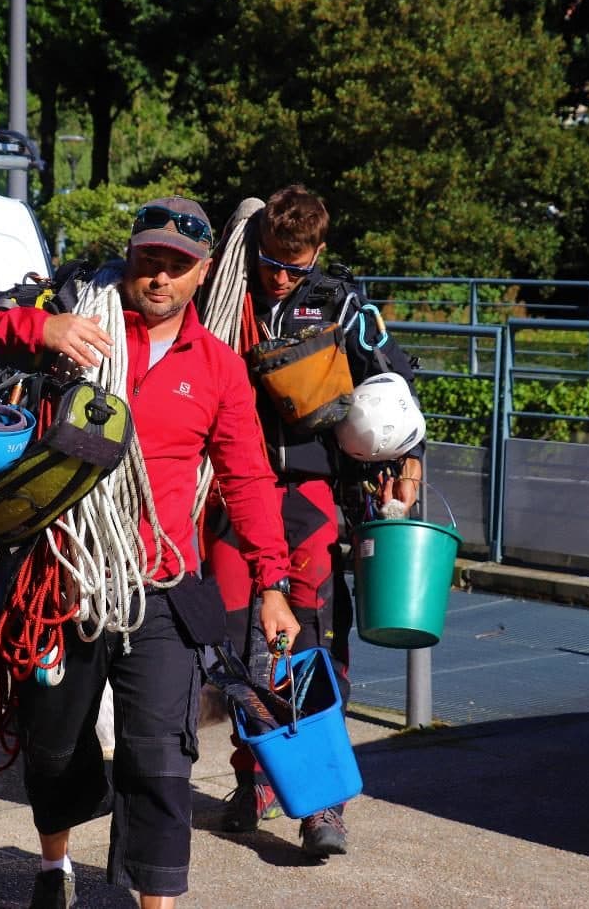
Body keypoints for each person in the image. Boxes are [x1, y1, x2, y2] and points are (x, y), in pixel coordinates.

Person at [0, 196, 301, 909]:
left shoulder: (219, 368)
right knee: (53, 743)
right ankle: (55, 863)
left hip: (161, 584)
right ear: (130, 260)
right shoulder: (74, 319)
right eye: (149, 261)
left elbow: (249, 477)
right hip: (64, 577)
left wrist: (272, 583)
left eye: (178, 266)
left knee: (162, 755)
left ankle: (154, 900)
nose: (160, 278)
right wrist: (41, 327)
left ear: (203, 276)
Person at [198, 184, 425, 856]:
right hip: (233, 495)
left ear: (318, 253)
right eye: (271, 261)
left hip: (311, 493)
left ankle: (323, 804)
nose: (279, 278)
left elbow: (394, 382)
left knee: (314, 641)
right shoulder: (224, 295)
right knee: (238, 643)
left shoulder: (340, 301)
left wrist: (409, 464)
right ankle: (252, 779)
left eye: (295, 267)